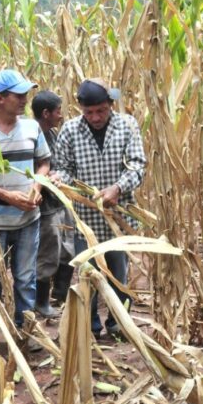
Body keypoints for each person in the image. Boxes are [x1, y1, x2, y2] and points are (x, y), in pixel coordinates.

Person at [53, 78, 146, 338]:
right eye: (89, 112)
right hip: (85, 220)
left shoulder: (127, 125)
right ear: (81, 109)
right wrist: (60, 179)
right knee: (88, 274)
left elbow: (138, 165)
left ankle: (118, 324)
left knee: (118, 274)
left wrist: (117, 188)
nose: (95, 117)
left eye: (101, 111)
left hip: (119, 217)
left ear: (110, 104)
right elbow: (64, 168)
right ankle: (90, 325)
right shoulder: (70, 130)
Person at [0, 69, 51, 328]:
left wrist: (36, 190)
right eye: (18, 95)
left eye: (25, 93)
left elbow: (43, 163)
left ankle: (26, 330)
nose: (25, 99)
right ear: (0, 98)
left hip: (29, 219)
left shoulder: (32, 127)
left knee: (26, 278)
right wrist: (7, 196)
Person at [30, 90, 75, 317]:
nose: (61, 115)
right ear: (46, 113)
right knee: (47, 255)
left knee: (67, 250)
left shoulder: (53, 134)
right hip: (46, 208)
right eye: (58, 110)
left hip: (60, 203)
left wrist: (59, 175)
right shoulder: (32, 135)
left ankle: (60, 295)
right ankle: (41, 302)